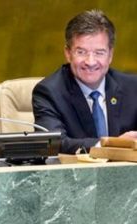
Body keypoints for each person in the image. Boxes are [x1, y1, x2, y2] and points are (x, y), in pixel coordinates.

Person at [32, 9, 137, 154]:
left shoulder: (133, 87)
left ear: (110, 55)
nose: (90, 62)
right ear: (68, 53)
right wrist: (111, 146)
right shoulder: (49, 92)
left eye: (99, 53)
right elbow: (53, 143)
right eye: (81, 52)